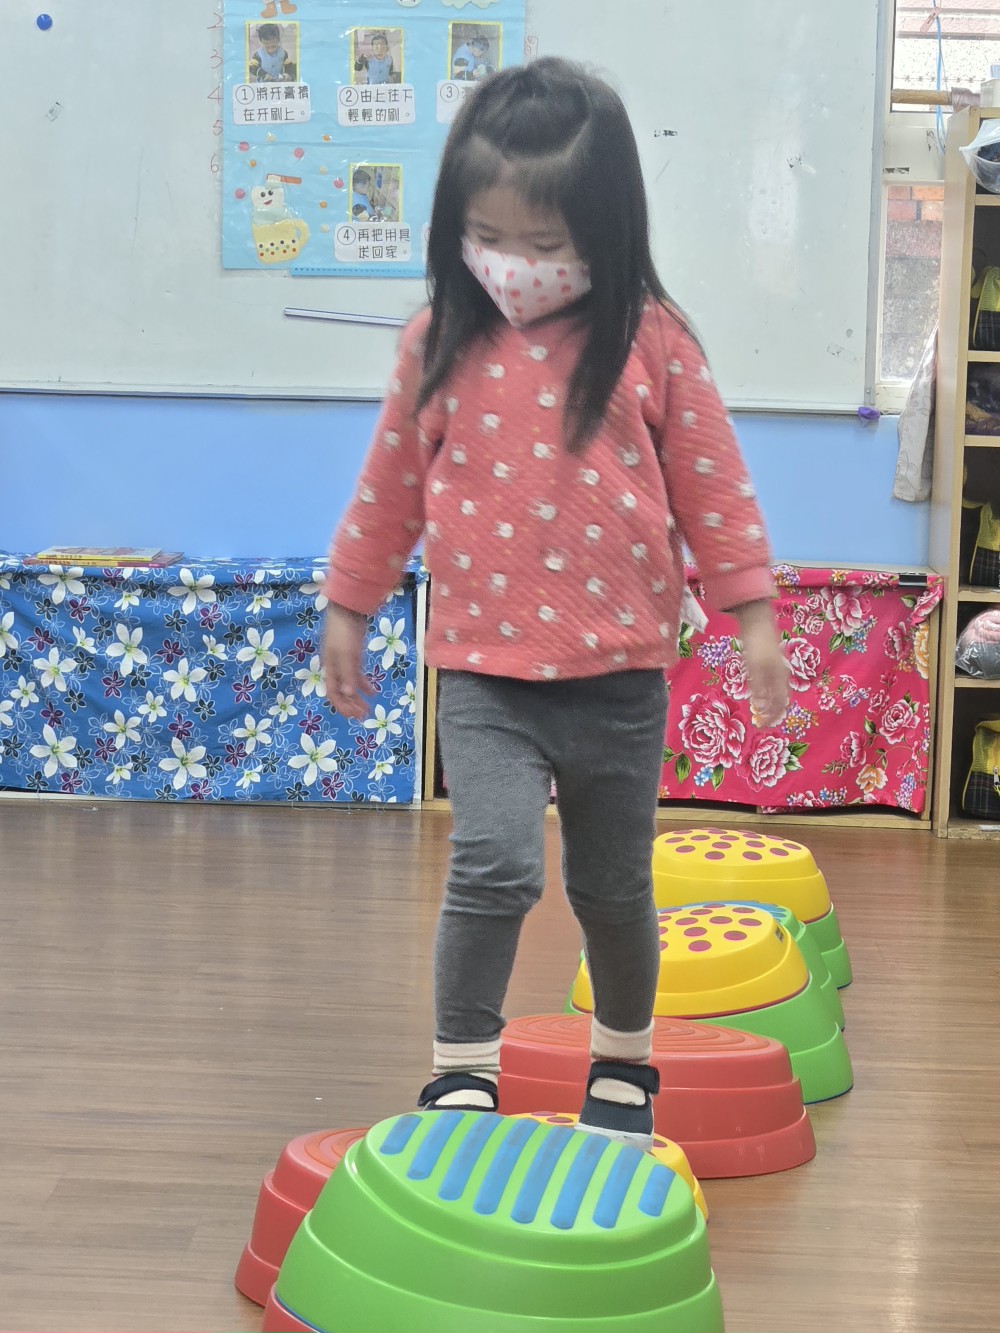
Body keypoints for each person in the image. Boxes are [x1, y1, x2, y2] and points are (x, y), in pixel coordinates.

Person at [321, 59, 789, 1151]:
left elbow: (713, 488)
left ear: (605, 230)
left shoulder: (651, 339)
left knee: (613, 886)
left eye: (545, 244)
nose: (515, 267)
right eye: (488, 237)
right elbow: (388, 489)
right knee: (493, 860)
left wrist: (754, 615)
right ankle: (461, 1068)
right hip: (486, 671)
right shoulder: (438, 339)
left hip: (620, 676)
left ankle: (623, 1061)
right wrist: (350, 604)